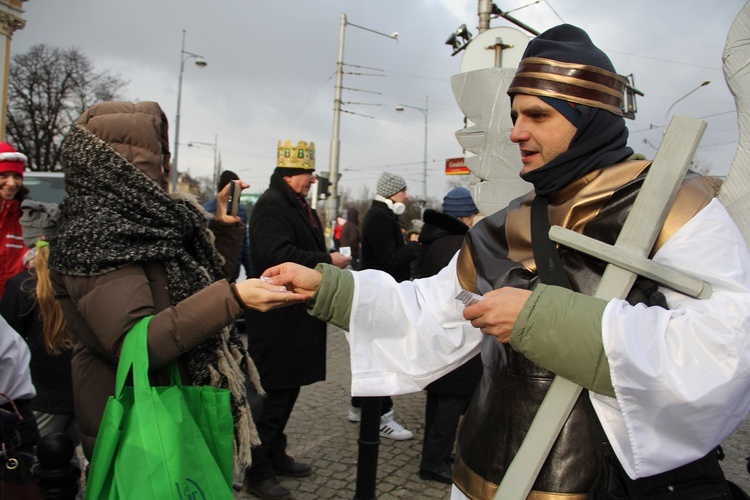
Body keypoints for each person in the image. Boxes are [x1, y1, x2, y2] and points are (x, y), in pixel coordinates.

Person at [263, 24, 750, 499]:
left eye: (538, 116)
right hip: (486, 471)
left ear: (588, 116)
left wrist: (545, 321)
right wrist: (331, 288)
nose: (516, 133)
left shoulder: (673, 206)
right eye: (515, 115)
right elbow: (433, 309)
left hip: (604, 478)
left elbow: (726, 341)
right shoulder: (503, 226)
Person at [46, 101, 307, 488]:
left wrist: (222, 231)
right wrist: (233, 299)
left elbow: (195, 289)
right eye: (156, 161)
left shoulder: (154, 221)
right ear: (119, 168)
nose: (166, 171)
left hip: (174, 404)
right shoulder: (94, 233)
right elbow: (138, 344)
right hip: (137, 425)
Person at [243, 139, 350, 500]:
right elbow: (277, 256)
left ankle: (274, 456)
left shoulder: (292, 202)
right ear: (293, 174)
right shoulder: (272, 206)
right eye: (308, 174)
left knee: (285, 394)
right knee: (272, 398)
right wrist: (327, 259)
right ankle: (256, 472)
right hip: (277, 323)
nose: (312, 181)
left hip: (292, 320)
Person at [0, 200, 80, 446]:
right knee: (68, 466)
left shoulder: (22, 286)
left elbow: (8, 345)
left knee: (38, 464)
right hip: (78, 392)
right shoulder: (78, 279)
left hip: (41, 394)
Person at [416, 187, 482, 485]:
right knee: (451, 402)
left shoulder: (432, 240)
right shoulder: (459, 245)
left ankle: (435, 455)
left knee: (439, 399)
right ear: (466, 215)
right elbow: (461, 292)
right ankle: (434, 463)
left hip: (435, 331)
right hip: (455, 334)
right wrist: (481, 304)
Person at [347, 172, 418, 440]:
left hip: (379, 295)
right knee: (382, 357)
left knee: (371, 352)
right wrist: (413, 247)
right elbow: (389, 260)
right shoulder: (379, 217)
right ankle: (381, 417)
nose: (406, 195)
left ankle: (358, 407)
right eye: (403, 191)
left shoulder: (382, 215)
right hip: (380, 298)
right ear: (391, 193)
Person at [204, 170, 252, 281]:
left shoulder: (240, 211)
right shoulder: (206, 211)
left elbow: (244, 245)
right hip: (218, 275)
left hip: (228, 273)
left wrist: (251, 275)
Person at [0, 142, 29, 300]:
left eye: (16, 176)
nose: (11, 183)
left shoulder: (28, 218)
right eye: (3, 175)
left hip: (14, 311)